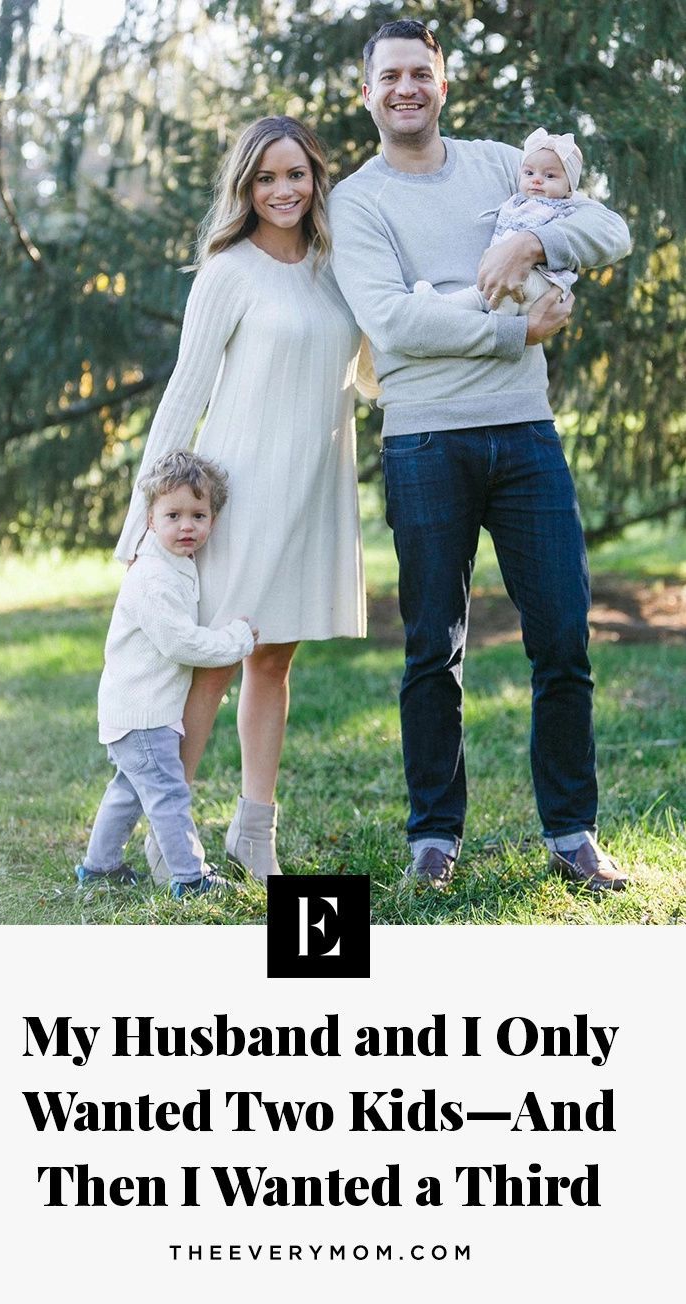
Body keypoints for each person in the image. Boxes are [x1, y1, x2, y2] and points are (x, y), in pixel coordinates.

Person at [329, 19, 632, 892]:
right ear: (368, 93)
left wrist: (531, 241)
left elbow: (606, 230)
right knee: (433, 647)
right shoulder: (357, 201)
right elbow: (394, 325)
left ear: (442, 84)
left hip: (524, 435)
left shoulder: (507, 165)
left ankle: (571, 833)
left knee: (563, 637)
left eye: (420, 73)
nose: (405, 89)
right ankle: (433, 836)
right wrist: (509, 328)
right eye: (389, 77)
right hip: (424, 439)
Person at [116, 117, 366, 880]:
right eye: (266, 178)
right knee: (215, 664)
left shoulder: (337, 266)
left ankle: (254, 832)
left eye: (295, 174)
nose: (282, 190)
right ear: (245, 188)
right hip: (238, 489)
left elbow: (376, 366)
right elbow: (184, 392)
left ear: (316, 180)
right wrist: (139, 524)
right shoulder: (228, 270)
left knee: (273, 659)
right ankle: (172, 831)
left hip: (314, 485)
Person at [75, 450, 257, 900]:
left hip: (132, 708)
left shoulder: (173, 563)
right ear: (151, 520)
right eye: (173, 515)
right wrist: (237, 641)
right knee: (169, 796)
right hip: (142, 714)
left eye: (199, 514)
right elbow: (180, 642)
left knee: (129, 791)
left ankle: (98, 868)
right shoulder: (153, 577)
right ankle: (190, 877)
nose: (187, 526)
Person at [414, 126, 584, 314]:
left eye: (549, 176)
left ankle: (499, 324)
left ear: (570, 188)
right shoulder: (518, 201)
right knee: (482, 292)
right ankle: (444, 305)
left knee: (504, 290)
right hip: (512, 278)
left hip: (542, 282)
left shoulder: (564, 210)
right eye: (529, 173)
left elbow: (575, 239)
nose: (536, 180)